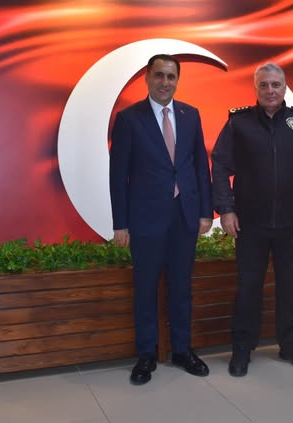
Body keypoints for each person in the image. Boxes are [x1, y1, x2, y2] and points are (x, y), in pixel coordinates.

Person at [211, 62, 293, 377]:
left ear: (284, 87)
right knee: (248, 288)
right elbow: (220, 166)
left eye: (276, 85)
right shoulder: (238, 123)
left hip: (292, 223)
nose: (270, 90)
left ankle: (291, 345)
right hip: (250, 223)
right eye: (264, 85)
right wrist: (226, 209)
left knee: (292, 288)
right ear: (255, 88)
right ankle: (242, 349)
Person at [109, 54, 213, 385]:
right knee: (145, 289)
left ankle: (182, 350)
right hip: (145, 219)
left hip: (184, 216)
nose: (164, 82)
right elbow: (118, 176)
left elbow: (200, 166)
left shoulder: (190, 115)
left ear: (177, 80)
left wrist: (205, 211)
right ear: (147, 78)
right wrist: (120, 223)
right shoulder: (128, 119)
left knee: (182, 288)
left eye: (171, 76)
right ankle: (146, 354)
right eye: (159, 75)